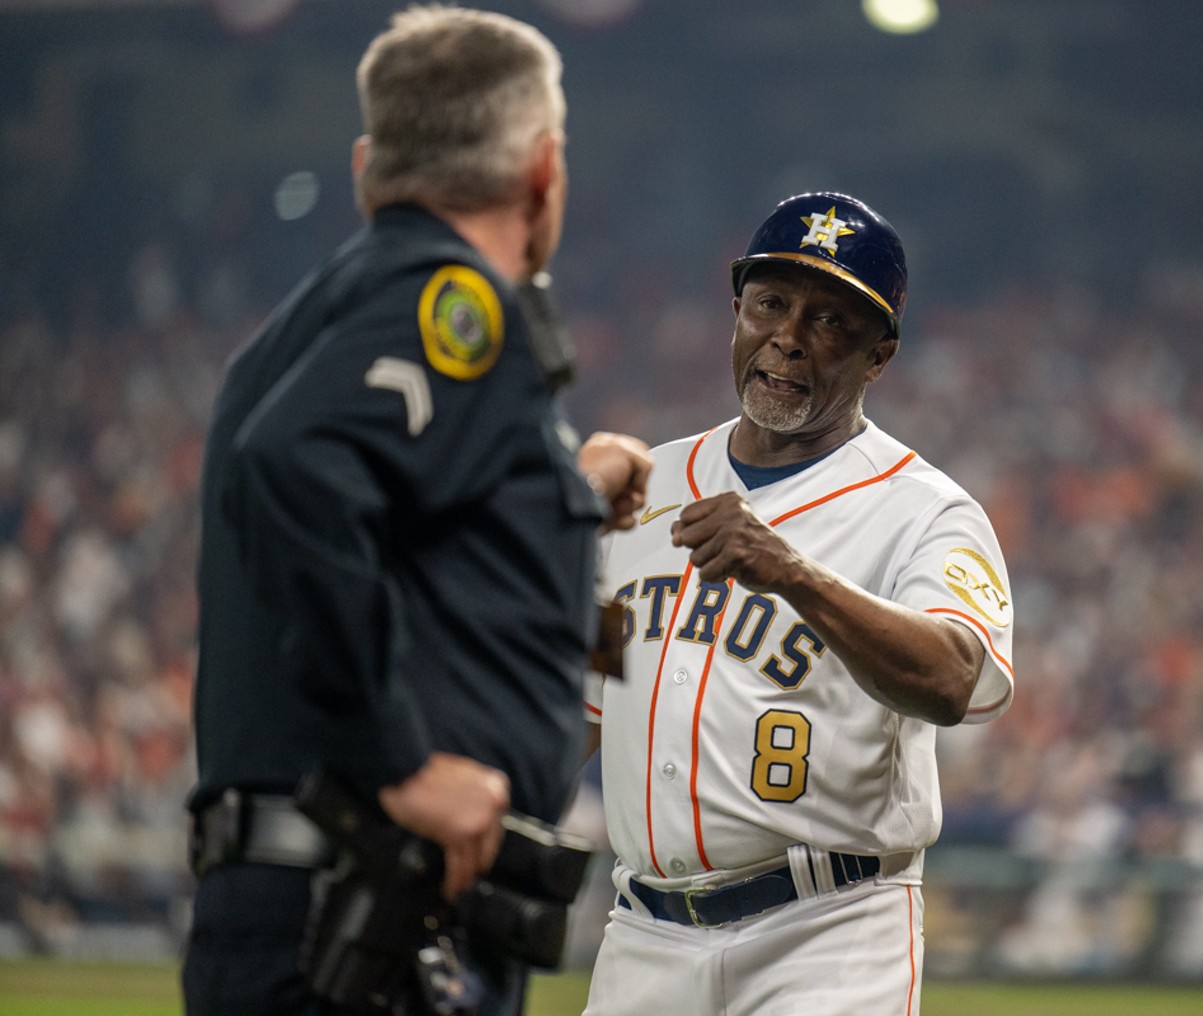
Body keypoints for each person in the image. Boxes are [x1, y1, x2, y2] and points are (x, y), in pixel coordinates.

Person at [181, 7, 650, 1015]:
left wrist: (563, 491)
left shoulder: (315, 318)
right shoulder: (455, 301)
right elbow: (294, 464)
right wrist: (395, 758)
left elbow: (405, 528)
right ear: (542, 168)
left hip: (317, 902)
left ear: (367, 167)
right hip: (369, 910)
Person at [580, 192, 1016, 1015]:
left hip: (829, 932)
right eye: (770, 304)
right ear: (737, 311)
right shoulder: (646, 488)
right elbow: (585, 709)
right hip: (642, 934)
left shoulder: (926, 509)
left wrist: (794, 574)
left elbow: (958, 680)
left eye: (829, 320)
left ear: (878, 356)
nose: (787, 335)